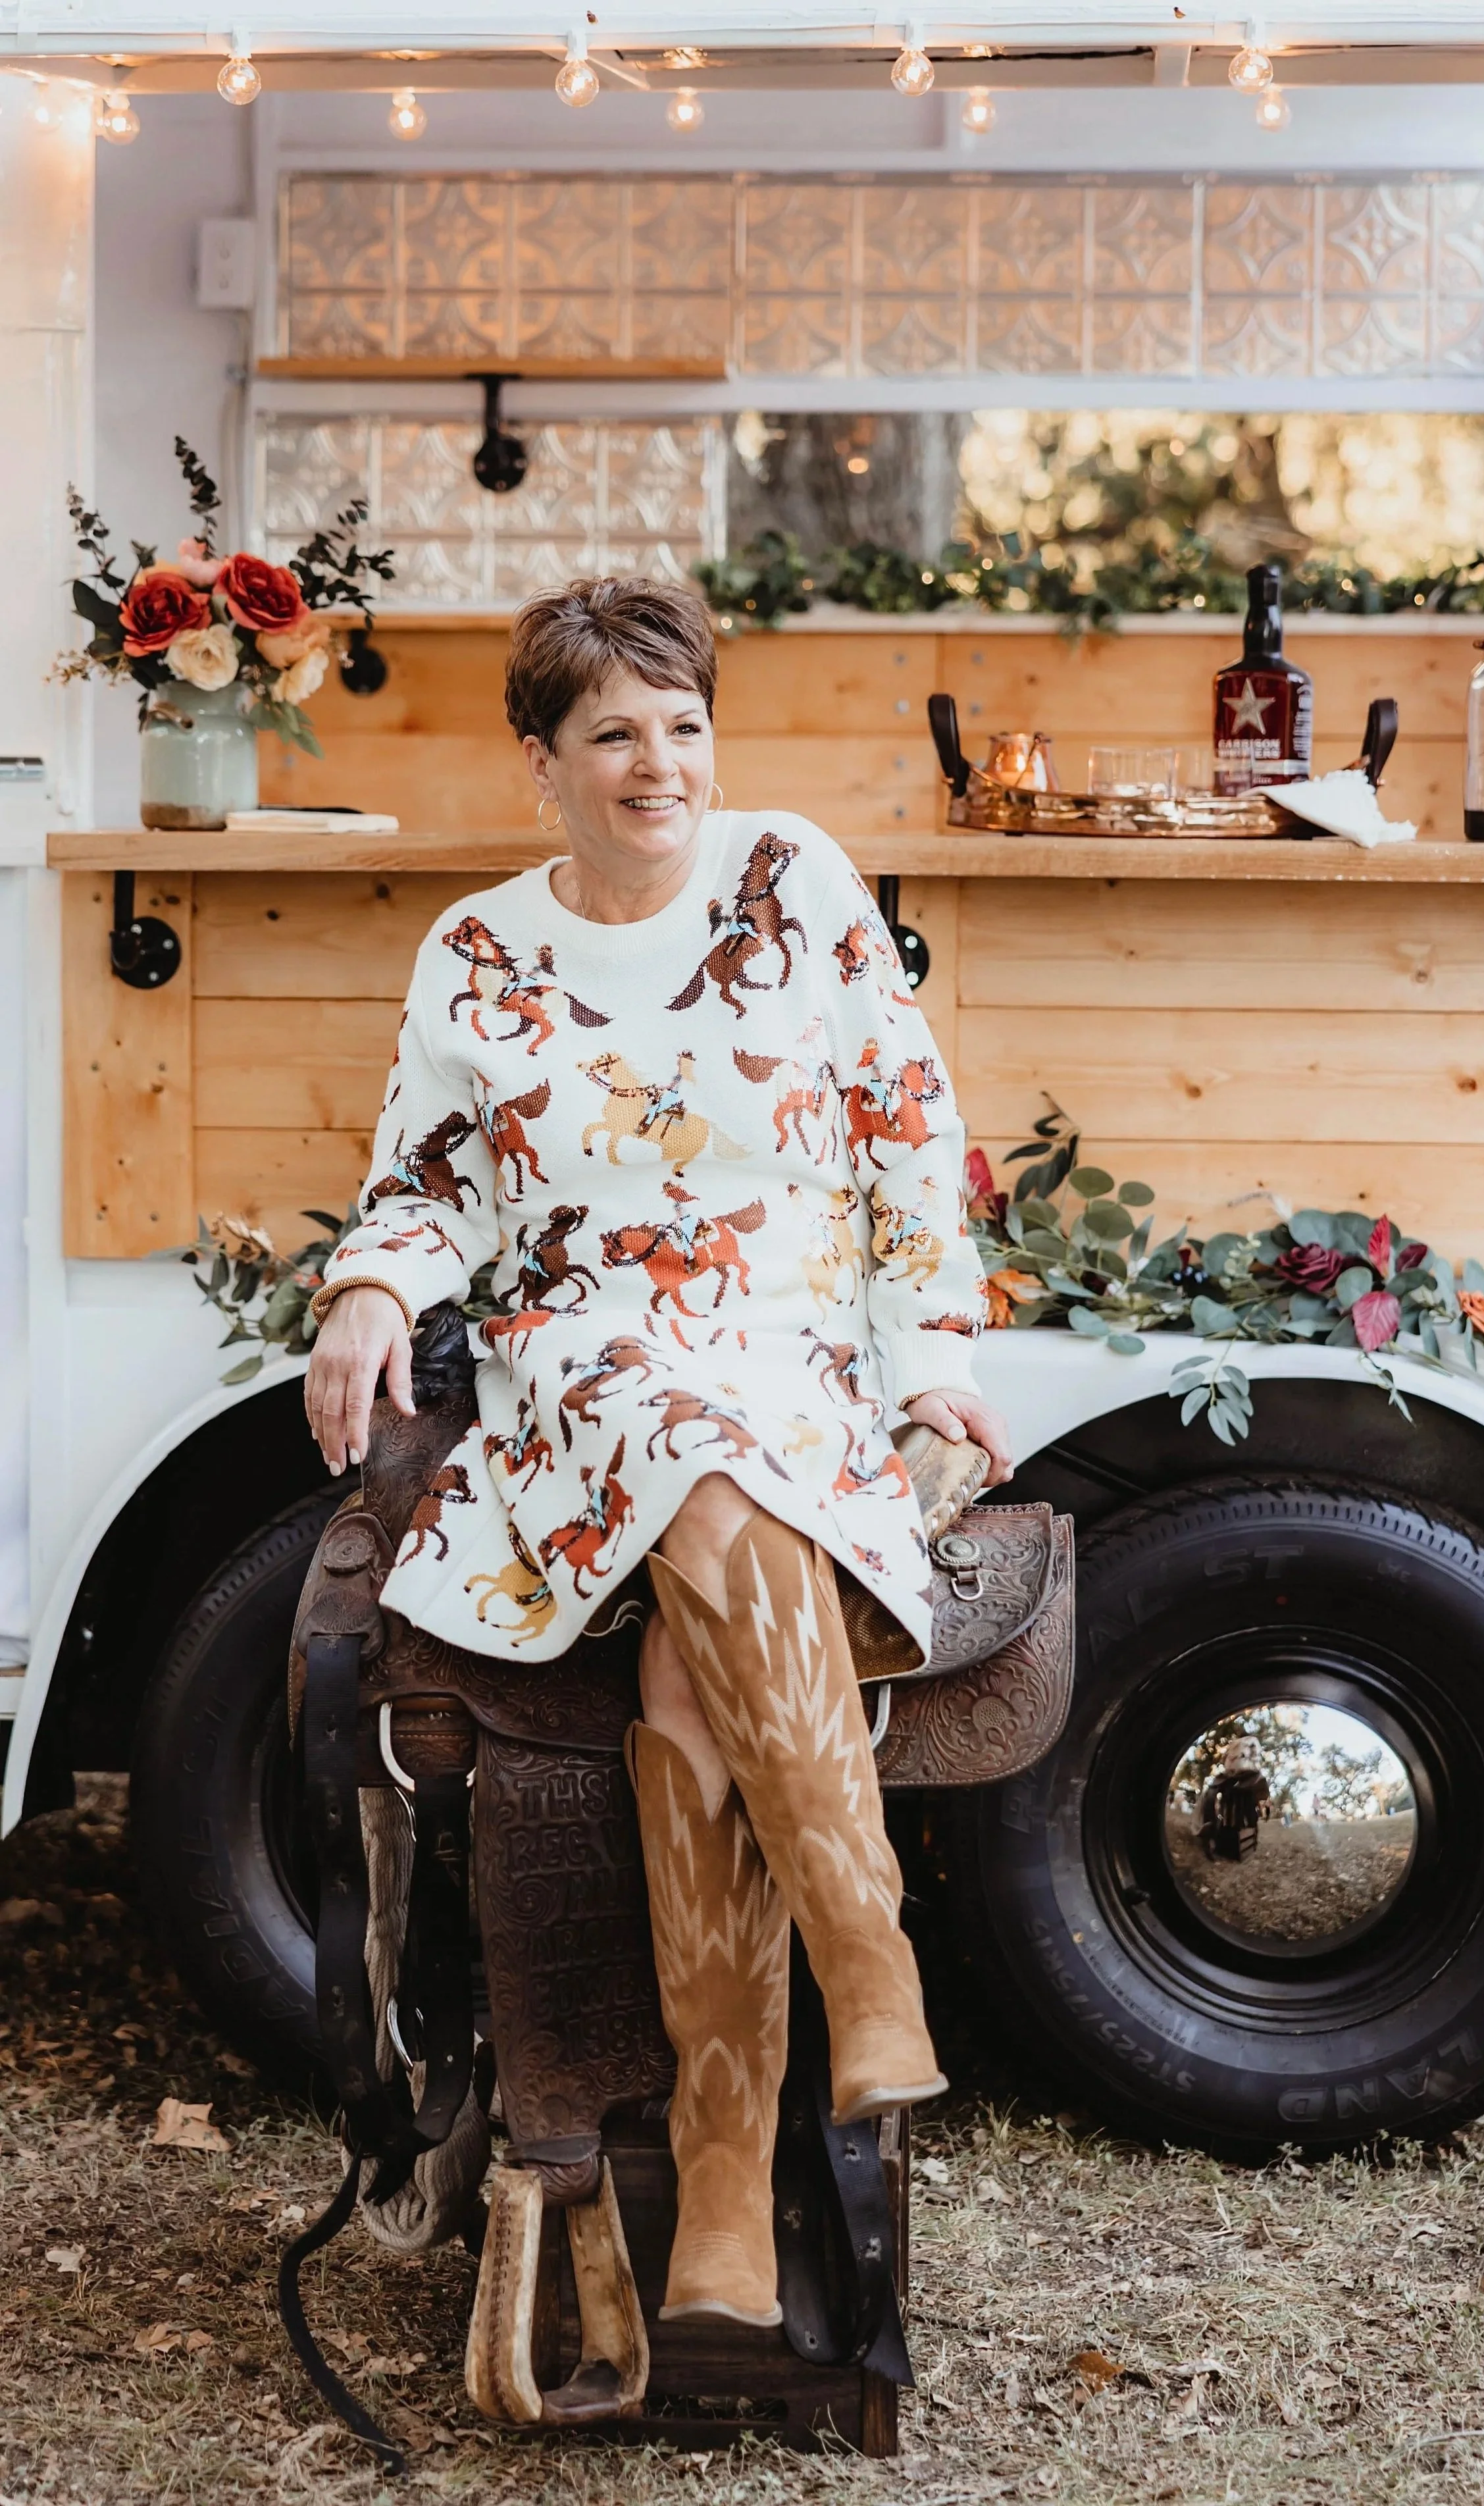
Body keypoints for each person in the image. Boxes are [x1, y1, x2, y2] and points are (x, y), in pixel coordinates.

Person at [303, 576, 1012, 2334]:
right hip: (586, 1366)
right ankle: (865, 1953)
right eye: (612, 732)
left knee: (699, 1645)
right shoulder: (478, 952)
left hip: (789, 1359)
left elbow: (904, 1133)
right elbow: (425, 1183)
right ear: (540, 759)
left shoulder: (794, 883)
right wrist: (372, 1288)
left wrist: (931, 1367)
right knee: (683, 1447)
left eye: (683, 725)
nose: (658, 763)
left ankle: (722, 2180)